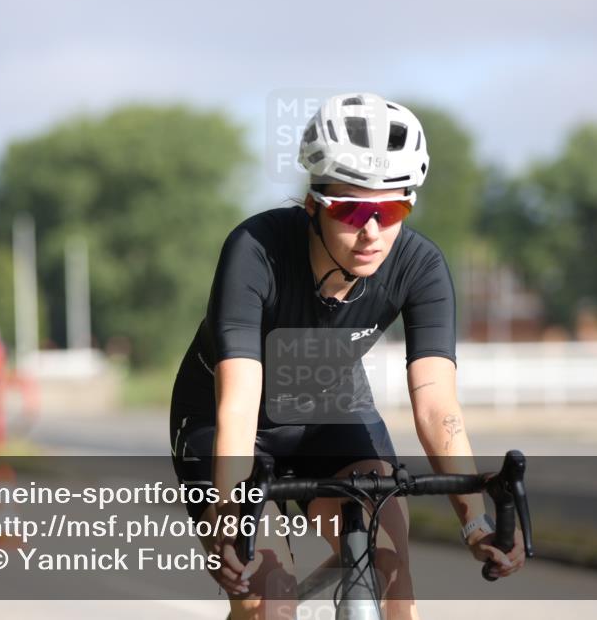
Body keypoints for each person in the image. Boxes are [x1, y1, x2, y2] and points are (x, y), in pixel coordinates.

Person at [169, 93, 525, 620]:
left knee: (394, 572)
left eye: (392, 209)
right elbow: (238, 406)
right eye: (353, 209)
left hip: (330, 409)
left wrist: (473, 522)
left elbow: (435, 406)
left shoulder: (419, 266)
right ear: (313, 203)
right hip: (225, 417)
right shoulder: (255, 249)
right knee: (269, 600)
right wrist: (228, 521)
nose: (372, 232)